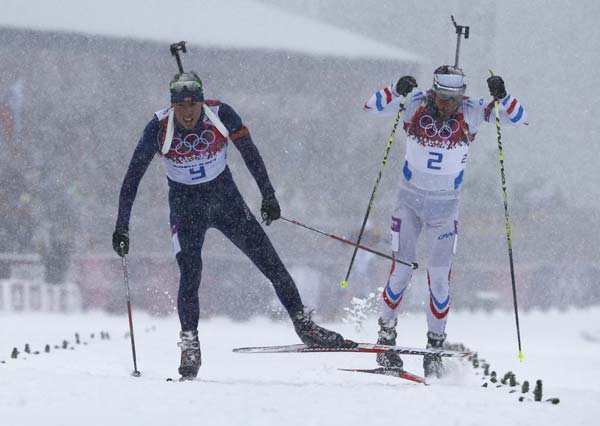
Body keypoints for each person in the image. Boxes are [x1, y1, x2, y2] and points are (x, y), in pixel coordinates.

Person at [112, 71, 348, 380]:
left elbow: (249, 152)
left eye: (191, 105)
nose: (186, 113)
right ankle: (190, 345)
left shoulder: (221, 114)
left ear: (200, 102)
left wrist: (268, 195)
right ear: (171, 106)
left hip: (227, 202)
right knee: (190, 273)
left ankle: (305, 326)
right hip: (186, 209)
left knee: (270, 262)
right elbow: (132, 177)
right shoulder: (158, 127)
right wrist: (122, 226)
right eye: (179, 106)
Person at [363, 66, 528, 377]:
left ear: (461, 95)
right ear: (433, 91)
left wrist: (503, 96)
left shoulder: (474, 110)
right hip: (408, 203)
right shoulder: (415, 102)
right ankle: (386, 341)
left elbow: (521, 120)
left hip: (444, 209)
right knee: (401, 270)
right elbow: (371, 108)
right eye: (441, 97)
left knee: (439, 280)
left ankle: (434, 348)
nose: (446, 104)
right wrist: (395, 90)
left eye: (453, 99)